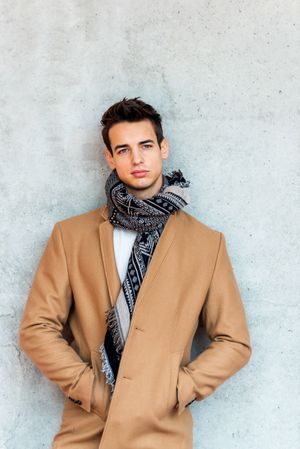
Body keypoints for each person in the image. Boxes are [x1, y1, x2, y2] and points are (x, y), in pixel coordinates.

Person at [19, 97, 252, 449]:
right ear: (110, 158)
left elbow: (234, 342)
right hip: (89, 431)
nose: (137, 159)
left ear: (163, 148)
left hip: (162, 434)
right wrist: (91, 389)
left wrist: (177, 389)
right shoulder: (70, 236)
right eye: (123, 150)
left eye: (145, 145)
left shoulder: (207, 244)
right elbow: (37, 329)